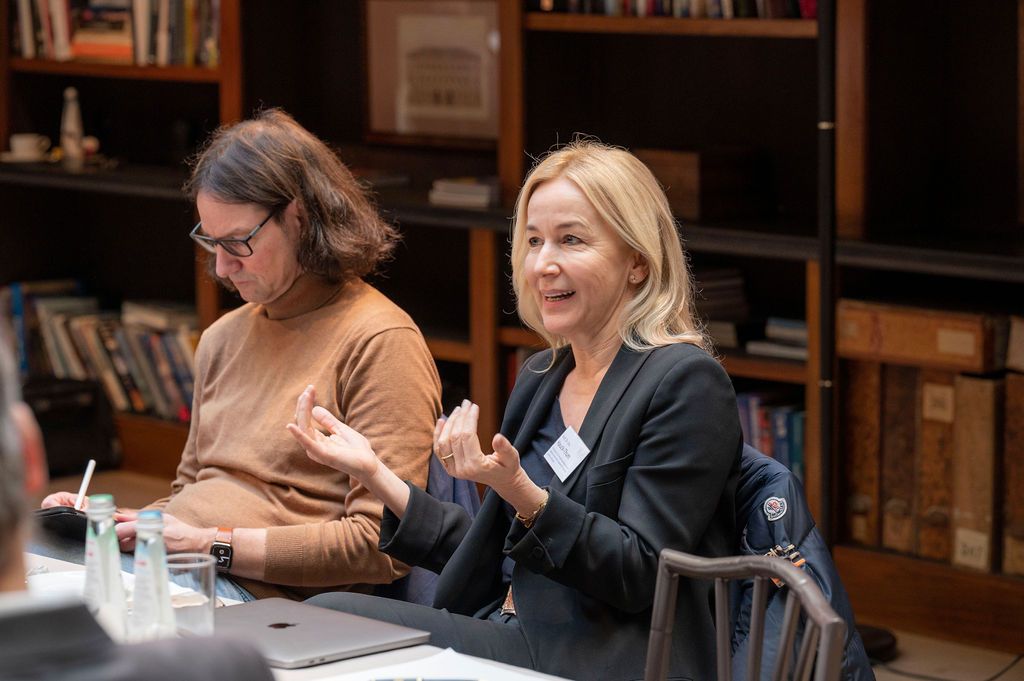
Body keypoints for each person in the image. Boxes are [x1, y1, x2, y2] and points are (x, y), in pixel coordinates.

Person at [288, 140, 742, 680]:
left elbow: (639, 573)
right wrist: (374, 473)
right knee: (317, 622)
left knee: (324, 621)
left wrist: (522, 493)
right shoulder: (541, 377)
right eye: (533, 241)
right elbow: (492, 550)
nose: (542, 264)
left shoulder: (684, 381)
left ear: (638, 263)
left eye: (571, 240)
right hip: (508, 630)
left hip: (595, 657)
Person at [40, 108, 442, 602]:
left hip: (266, 597)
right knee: (35, 557)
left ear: (299, 218)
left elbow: (382, 546)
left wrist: (210, 546)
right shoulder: (222, 338)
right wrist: (116, 522)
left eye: (237, 243)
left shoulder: (380, 341)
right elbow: (191, 496)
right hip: (192, 569)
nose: (222, 267)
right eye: (211, 241)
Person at [0, 325, 275, 681]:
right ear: (31, 455)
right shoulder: (226, 666)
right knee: (50, 546)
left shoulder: (356, 342)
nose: (223, 271)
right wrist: (130, 520)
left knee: (44, 552)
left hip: (242, 576)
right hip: (175, 552)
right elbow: (186, 488)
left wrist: (204, 542)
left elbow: (350, 546)